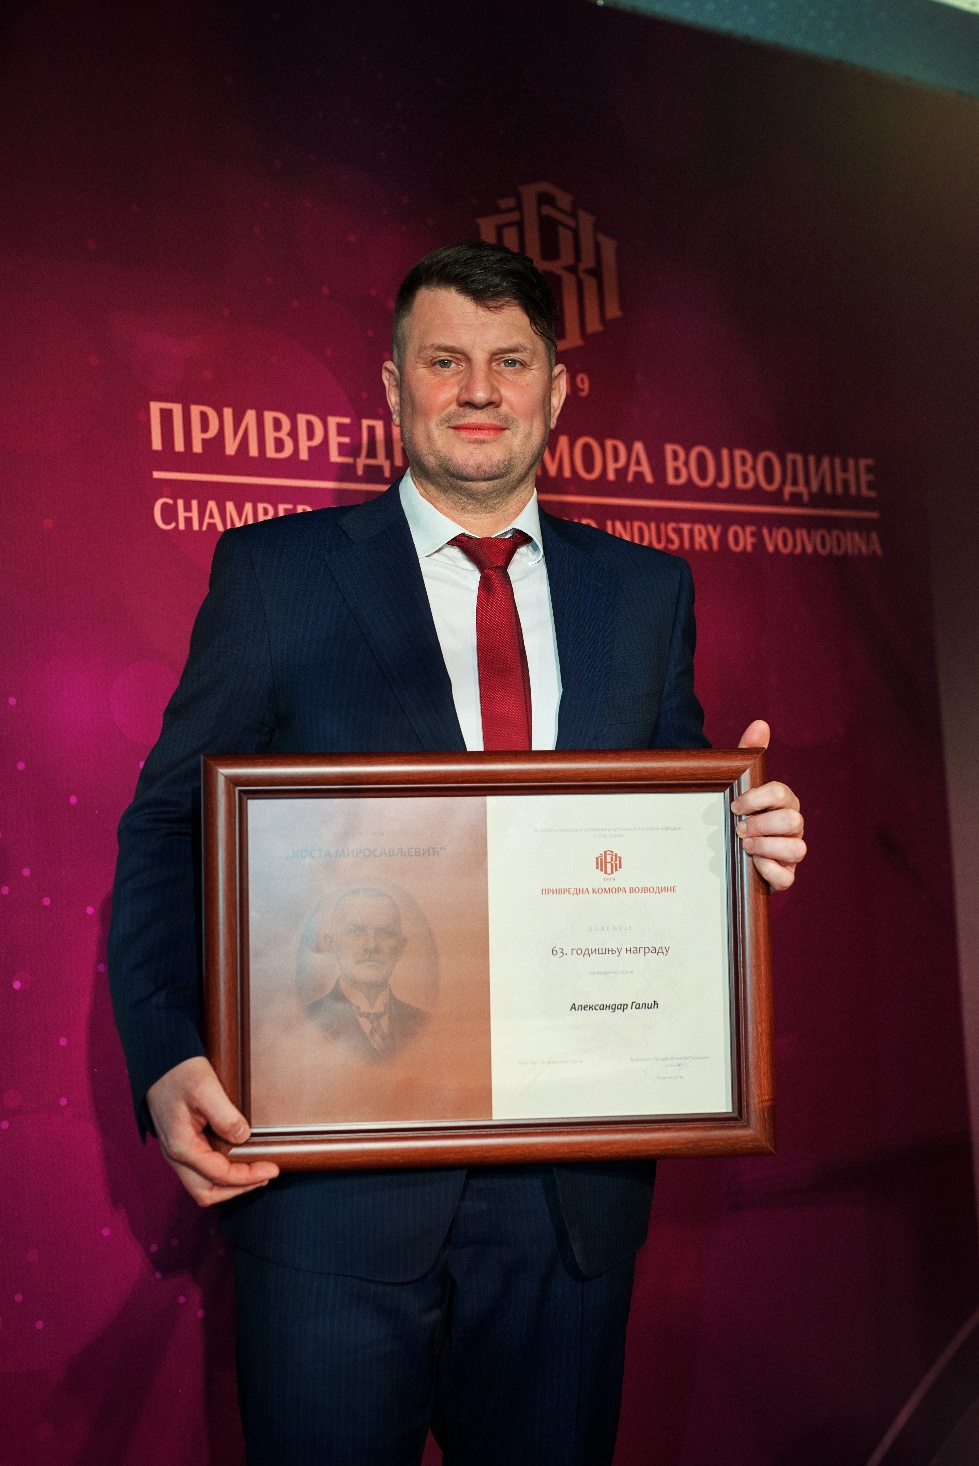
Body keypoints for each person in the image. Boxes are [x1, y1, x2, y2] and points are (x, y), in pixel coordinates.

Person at [108, 240, 806, 1465]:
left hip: (569, 1195)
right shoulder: (275, 575)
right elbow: (170, 824)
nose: (478, 389)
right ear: (394, 386)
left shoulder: (645, 593)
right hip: (331, 1192)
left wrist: (738, 850)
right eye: (444, 360)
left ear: (557, 390)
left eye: (509, 361)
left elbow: (657, 835)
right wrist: (167, 1049)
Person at [303, 886, 428, 1060]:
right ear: (332, 946)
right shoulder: (307, 1021)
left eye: (385, 933)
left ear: (400, 948)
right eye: (355, 932)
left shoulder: (424, 1023)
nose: (371, 945)